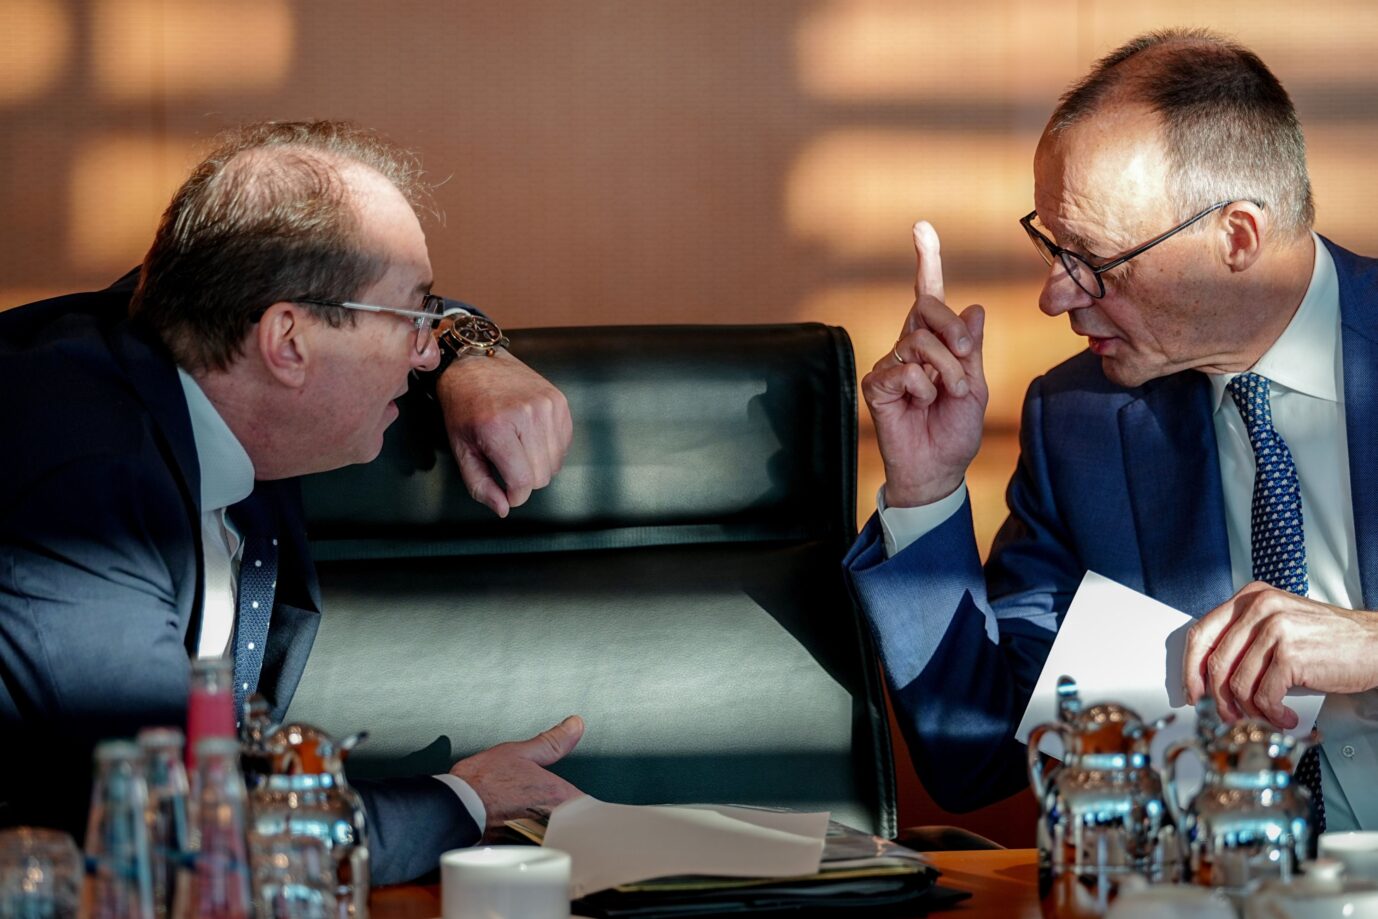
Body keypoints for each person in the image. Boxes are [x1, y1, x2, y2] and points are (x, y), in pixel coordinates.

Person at [0, 120, 583, 883]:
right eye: (415, 318)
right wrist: (463, 799)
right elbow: (201, 832)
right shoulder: (80, 485)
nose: (425, 349)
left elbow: (298, 266)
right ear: (290, 342)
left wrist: (474, 352)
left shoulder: (186, 333)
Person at [845, 28, 1378, 834]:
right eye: (1052, 245)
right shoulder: (1081, 422)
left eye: (1096, 260)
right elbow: (975, 751)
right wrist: (926, 489)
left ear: (1236, 238)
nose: (1056, 297)